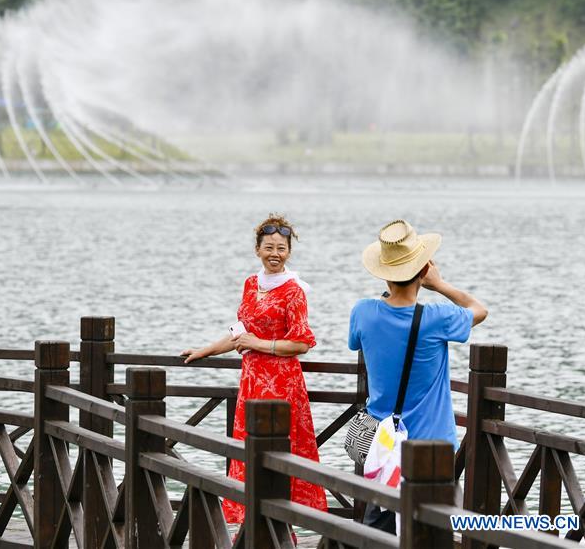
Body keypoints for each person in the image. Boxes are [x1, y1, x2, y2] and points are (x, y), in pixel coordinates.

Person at [181, 214, 328, 526]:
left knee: (279, 455)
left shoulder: (294, 291)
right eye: (269, 247)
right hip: (252, 381)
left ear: (289, 252)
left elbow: (301, 343)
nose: (275, 253)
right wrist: (204, 351)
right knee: (249, 452)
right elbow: (240, 332)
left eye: (282, 248)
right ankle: (250, 524)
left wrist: (259, 343)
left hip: (282, 383)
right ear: (258, 250)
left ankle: (281, 528)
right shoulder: (250, 284)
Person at [349, 219, 488, 533]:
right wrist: (439, 285)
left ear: (384, 271)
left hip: (381, 443)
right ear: (423, 269)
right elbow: (479, 309)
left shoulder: (363, 312)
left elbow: (355, 342)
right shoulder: (437, 318)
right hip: (433, 445)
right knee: (436, 531)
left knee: (377, 532)